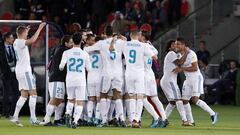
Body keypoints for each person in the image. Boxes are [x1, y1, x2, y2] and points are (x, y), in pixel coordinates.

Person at [110, 30, 158, 128]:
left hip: (129, 74)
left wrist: (113, 41)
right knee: (139, 97)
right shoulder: (143, 45)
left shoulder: (125, 44)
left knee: (131, 97)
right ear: (139, 35)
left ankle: (132, 120)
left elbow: (111, 49)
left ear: (130, 36)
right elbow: (154, 57)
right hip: (139, 74)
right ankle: (136, 119)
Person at [84, 26, 126, 127]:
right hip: (118, 73)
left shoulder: (101, 43)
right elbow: (126, 41)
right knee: (117, 96)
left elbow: (87, 49)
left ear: (104, 33)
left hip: (106, 73)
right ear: (113, 33)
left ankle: (103, 121)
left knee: (103, 96)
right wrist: (120, 37)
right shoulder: (120, 42)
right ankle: (122, 119)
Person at [173, 37, 218, 125]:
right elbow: (179, 63)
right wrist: (181, 66)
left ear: (183, 45)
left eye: (178, 44)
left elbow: (195, 68)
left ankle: (213, 113)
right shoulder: (178, 54)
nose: (176, 46)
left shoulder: (192, 53)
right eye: (175, 44)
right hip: (188, 79)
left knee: (195, 99)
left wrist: (182, 68)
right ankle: (191, 121)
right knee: (185, 100)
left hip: (196, 78)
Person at [10, 23, 46, 127]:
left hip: (20, 71)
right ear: (22, 33)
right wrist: (39, 29)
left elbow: (27, 38)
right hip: (25, 72)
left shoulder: (16, 42)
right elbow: (32, 40)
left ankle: (15, 117)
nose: (27, 34)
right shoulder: (20, 42)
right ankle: (33, 118)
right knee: (33, 94)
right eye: (26, 33)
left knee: (24, 95)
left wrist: (27, 30)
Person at [59, 32, 91, 129]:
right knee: (79, 102)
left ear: (72, 41)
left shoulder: (66, 52)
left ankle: (68, 113)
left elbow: (61, 67)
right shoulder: (85, 54)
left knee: (71, 100)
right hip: (80, 80)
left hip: (70, 79)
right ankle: (75, 120)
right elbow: (89, 69)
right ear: (81, 41)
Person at [40, 35, 73, 126]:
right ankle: (46, 119)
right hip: (56, 78)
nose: (72, 44)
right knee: (55, 98)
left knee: (60, 99)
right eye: (70, 42)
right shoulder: (63, 50)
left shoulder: (59, 49)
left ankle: (57, 119)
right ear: (66, 43)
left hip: (59, 78)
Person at [160, 39, 193, 126]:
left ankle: (163, 119)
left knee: (172, 102)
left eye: (176, 44)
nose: (176, 46)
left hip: (167, 80)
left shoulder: (175, 54)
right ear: (170, 47)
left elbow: (181, 61)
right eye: (173, 45)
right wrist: (186, 52)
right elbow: (180, 62)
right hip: (169, 81)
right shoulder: (171, 54)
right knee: (178, 100)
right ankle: (185, 120)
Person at [139, 31, 167, 128]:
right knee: (155, 98)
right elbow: (156, 53)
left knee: (142, 98)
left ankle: (156, 118)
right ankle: (164, 118)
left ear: (142, 37)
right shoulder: (150, 46)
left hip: (144, 74)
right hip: (151, 74)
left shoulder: (141, 46)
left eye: (139, 35)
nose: (138, 36)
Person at [84, 34, 103, 125]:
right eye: (92, 40)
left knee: (91, 99)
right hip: (99, 77)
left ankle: (89, 118)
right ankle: (96, 118)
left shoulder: (86, 50)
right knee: (98, 99)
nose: (93, 42)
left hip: (90, 77)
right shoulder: (102, 51)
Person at [0, 32, 19, 118]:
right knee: (6, 94)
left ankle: (13, 112)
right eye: (11, 38)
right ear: (6, 39)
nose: (13, 39)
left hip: (15, 74)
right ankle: (5, 112)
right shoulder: (1, 48)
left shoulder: (15, 47)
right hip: (5, 73)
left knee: (16, 93)